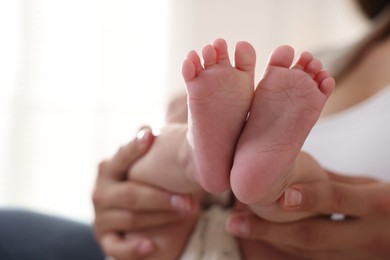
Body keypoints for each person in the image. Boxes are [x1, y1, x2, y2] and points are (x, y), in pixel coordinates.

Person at [93, 0, 390, 258]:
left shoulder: (310, 73)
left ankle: (194, 154)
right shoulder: (334, 58)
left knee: (300, 192)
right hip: (193, 229)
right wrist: (121, 202)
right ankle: (234, 167)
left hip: (229, 240)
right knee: (291, 190)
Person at [128, 39, 335, 223]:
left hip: (184, 240)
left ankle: (191, 155)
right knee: (301, 179)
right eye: (187, 115)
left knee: (150, 159)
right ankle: (277, 179)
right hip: (250, 236)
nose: (188, 116)